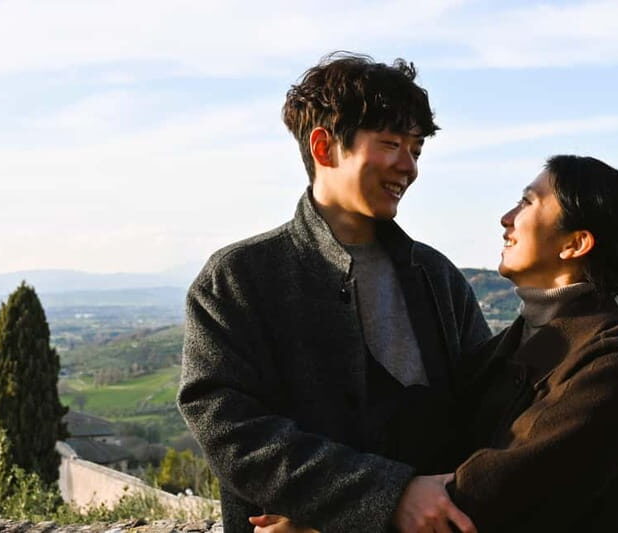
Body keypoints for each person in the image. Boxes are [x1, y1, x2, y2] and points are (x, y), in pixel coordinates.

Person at [177, 52, 491, 533]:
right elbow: (231, 431)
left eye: (417, 150)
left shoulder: (438, 278)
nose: (408, 167)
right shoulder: (237, 278)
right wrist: (385, 497)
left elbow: (487, 416)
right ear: (324, 147)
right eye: (391, 143)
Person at [394, 154, 618, 532]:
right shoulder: (508, 349)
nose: (506, 218)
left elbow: (492, 495)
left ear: (575, 243)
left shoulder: (612, 363)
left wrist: (387, 497)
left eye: (527, 202)